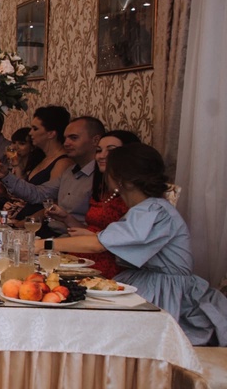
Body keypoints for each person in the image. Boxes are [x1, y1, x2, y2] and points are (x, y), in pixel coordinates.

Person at [44, 144, 227, 346]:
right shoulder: (147, 208)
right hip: (148, 280)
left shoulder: (153, 210)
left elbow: (98, 245)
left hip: (166, 292)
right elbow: (114, 240)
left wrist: (44, 245)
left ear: (120, 179)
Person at [50, 129, 140, 278]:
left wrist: (44, 245)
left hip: (108, 265)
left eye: (111, 151)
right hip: (80, 260)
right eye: (99, 150)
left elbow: (126, 244)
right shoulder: (102, 189)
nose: (101, 155)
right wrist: (66, 218)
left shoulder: (133, 196)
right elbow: (89, 231)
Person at [0, 115, 104, 235]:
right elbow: (38, 194)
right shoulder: (70, 172)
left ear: (95, 140)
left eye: (73, 138)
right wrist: (6, 175)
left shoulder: (102, 177)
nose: (66, 143)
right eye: (65, 138)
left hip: (75, 238)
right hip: (52, 232)